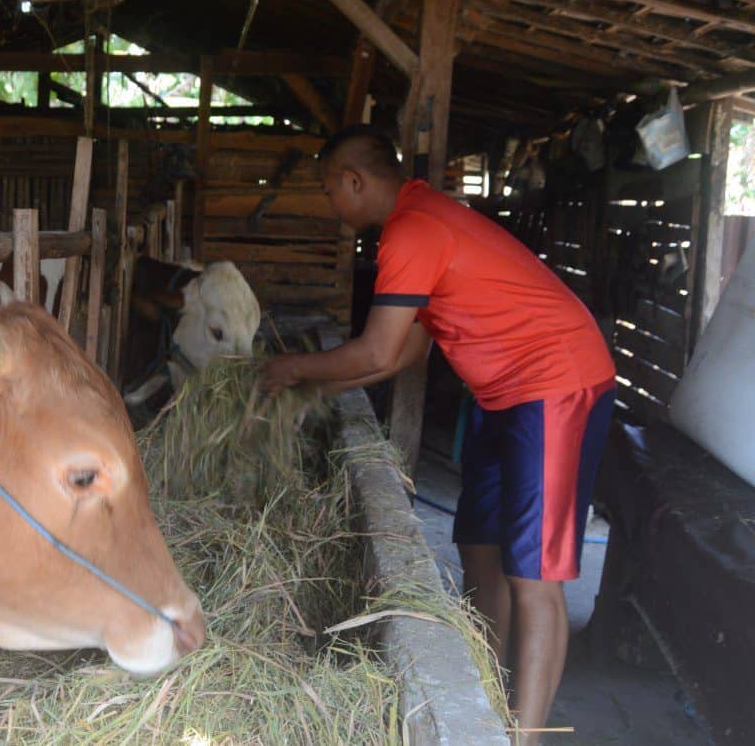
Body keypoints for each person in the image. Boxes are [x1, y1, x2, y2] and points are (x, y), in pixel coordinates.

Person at [259, 125, 615, 744]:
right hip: (502, 393)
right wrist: (314, 389)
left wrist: (294, 368)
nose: (330, 204)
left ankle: (522, 735)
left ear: (354, 181)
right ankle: (482, 684)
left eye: (327, 190)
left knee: (535, 575)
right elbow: (401, 355)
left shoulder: (413, 228)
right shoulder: (418, 223)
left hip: (556, 384)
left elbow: (376, 348)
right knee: (479, 541)